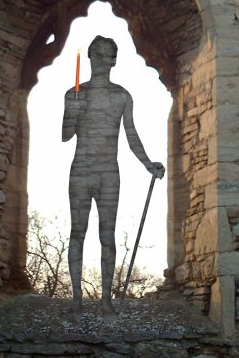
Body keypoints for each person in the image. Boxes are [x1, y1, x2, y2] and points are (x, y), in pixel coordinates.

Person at [62, 35, 165, 315]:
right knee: (77, 233)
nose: (107, 60)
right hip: (81, 169)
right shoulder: (74, 93)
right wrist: (72, 112)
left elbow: (131, 134)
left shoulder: (121, 95)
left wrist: (147, 163)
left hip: (109, 172)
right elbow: (65, 135)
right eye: (102, 54)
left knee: (107, 235)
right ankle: (76, 300)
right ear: (92, 57)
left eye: (111, 55)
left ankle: (106, 299)